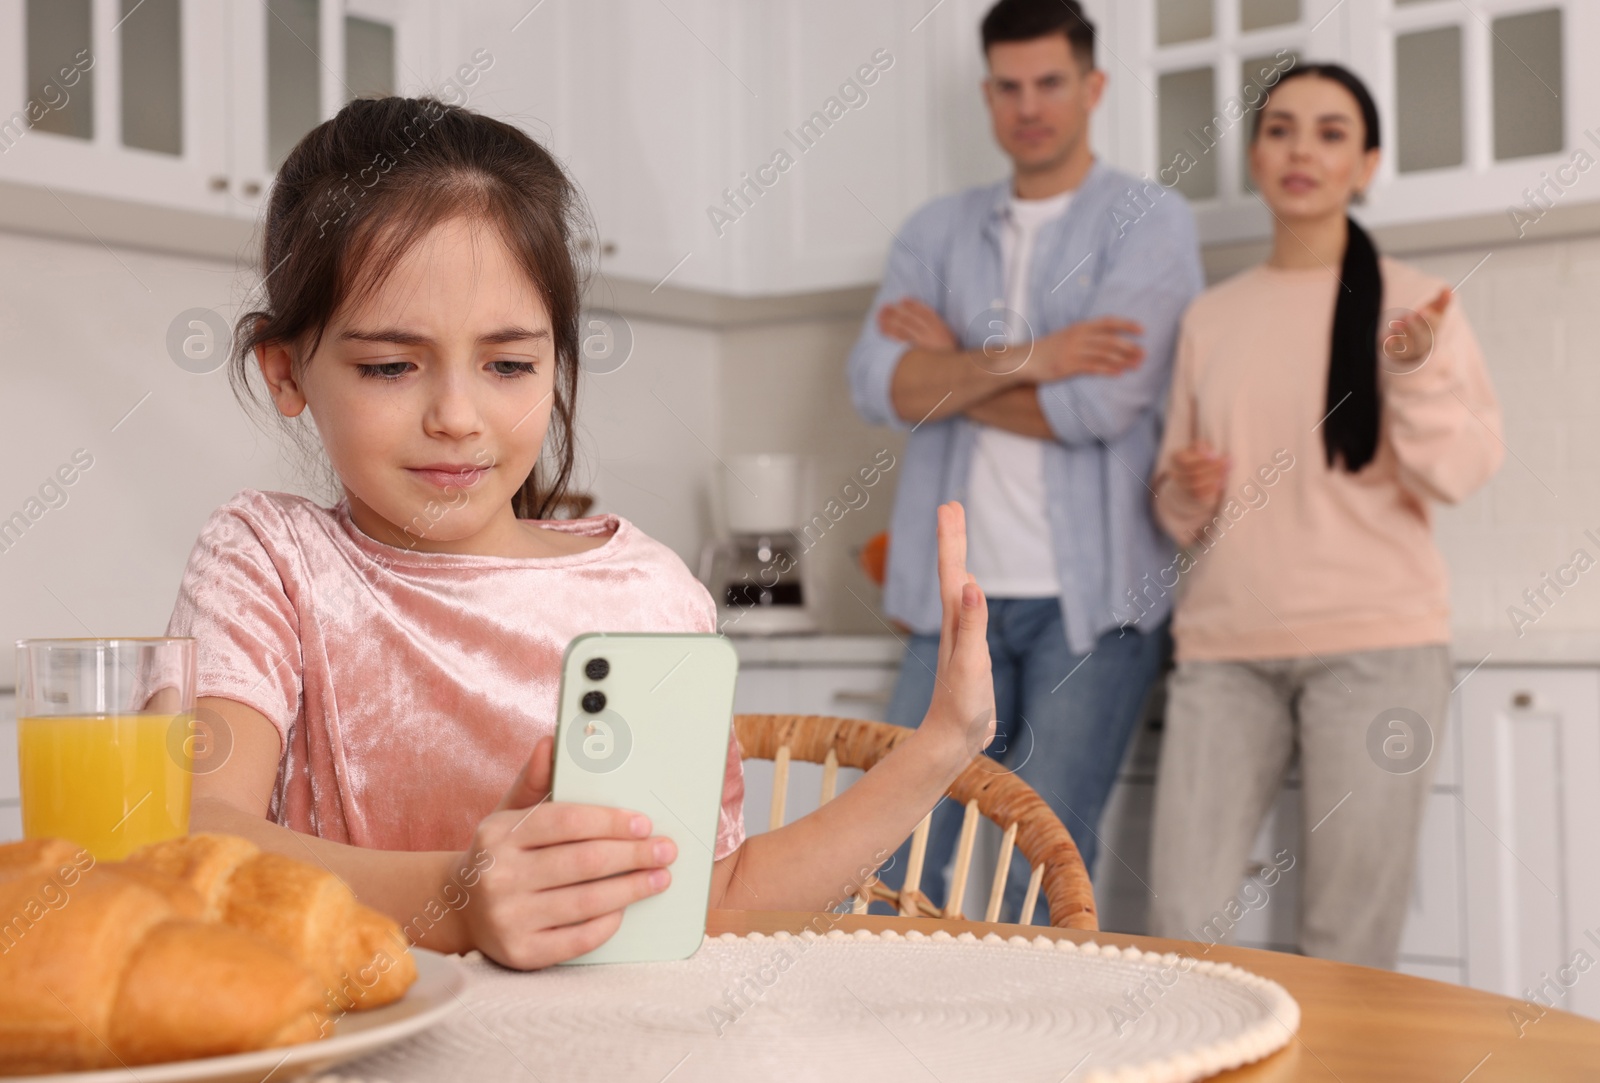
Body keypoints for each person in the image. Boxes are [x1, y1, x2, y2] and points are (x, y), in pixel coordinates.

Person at [168, 95, 997, 971]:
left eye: (509, 364)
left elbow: (711, 903)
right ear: (285, 369)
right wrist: (458, 897)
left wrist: (943, 741)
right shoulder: (267, 559)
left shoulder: (643, 592)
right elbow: (191, 834)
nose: (457, 415)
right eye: (390, 366)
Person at [847, 0, 1202, 922]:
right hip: (947, 599)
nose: (1029, 104)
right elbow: (877, 385)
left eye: (1050, 83)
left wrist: (952, 367)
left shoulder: (1150, 220)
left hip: (1091, 605)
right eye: (1009, 86)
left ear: (1093, 88)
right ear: (987, 93)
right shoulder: (934, 230)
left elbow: (1102, 406)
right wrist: (1032, 355)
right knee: (895, 856)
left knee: (1033, 866)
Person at [1146, 64, 1503, 967]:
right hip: (1224, 653)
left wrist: (1411, 373)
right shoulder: (1209, 318)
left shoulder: (1416, 305)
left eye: (1332, 132)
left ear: (1367, 163)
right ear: (1258, 153)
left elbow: (1458, 469)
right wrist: (1186, 482)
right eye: (1281, 128)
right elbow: (1174, 510)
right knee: (1181, 928)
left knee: (1349, 941)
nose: (1302, 148)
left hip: (1377, 650)